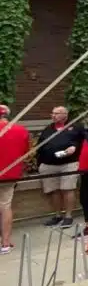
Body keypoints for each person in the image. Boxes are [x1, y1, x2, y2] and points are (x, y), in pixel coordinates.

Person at [36, 106, 82, 228]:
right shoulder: (48, 129)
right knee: (53, 191)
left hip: (68, 164)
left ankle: (68, 216)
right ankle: (57, 215)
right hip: (49, 164)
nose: (52, 115)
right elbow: (40, 145)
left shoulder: (75, 127)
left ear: (64, 115)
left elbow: (81, 142)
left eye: (55, 113)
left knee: (68, 189)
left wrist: (74, 148)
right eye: (52, 113)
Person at [0, 104, 30, 254]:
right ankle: (5, 243)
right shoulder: (21, 130)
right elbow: (25, 152)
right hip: (9, 175)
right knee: (5, 206)